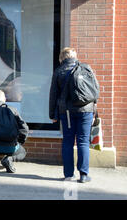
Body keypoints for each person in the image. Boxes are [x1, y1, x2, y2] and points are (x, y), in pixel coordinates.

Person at [49, 47, 96, 183]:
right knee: (83, 141)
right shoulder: (86, 68)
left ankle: (69, 175)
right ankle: (84, 175)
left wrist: (53, 114)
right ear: (75, 56)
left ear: (62, 58)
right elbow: (93, 90)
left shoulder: (59, 71)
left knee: (68, 142)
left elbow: (53, 95)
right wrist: (94, 111)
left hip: (67, 113)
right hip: (86, 110)